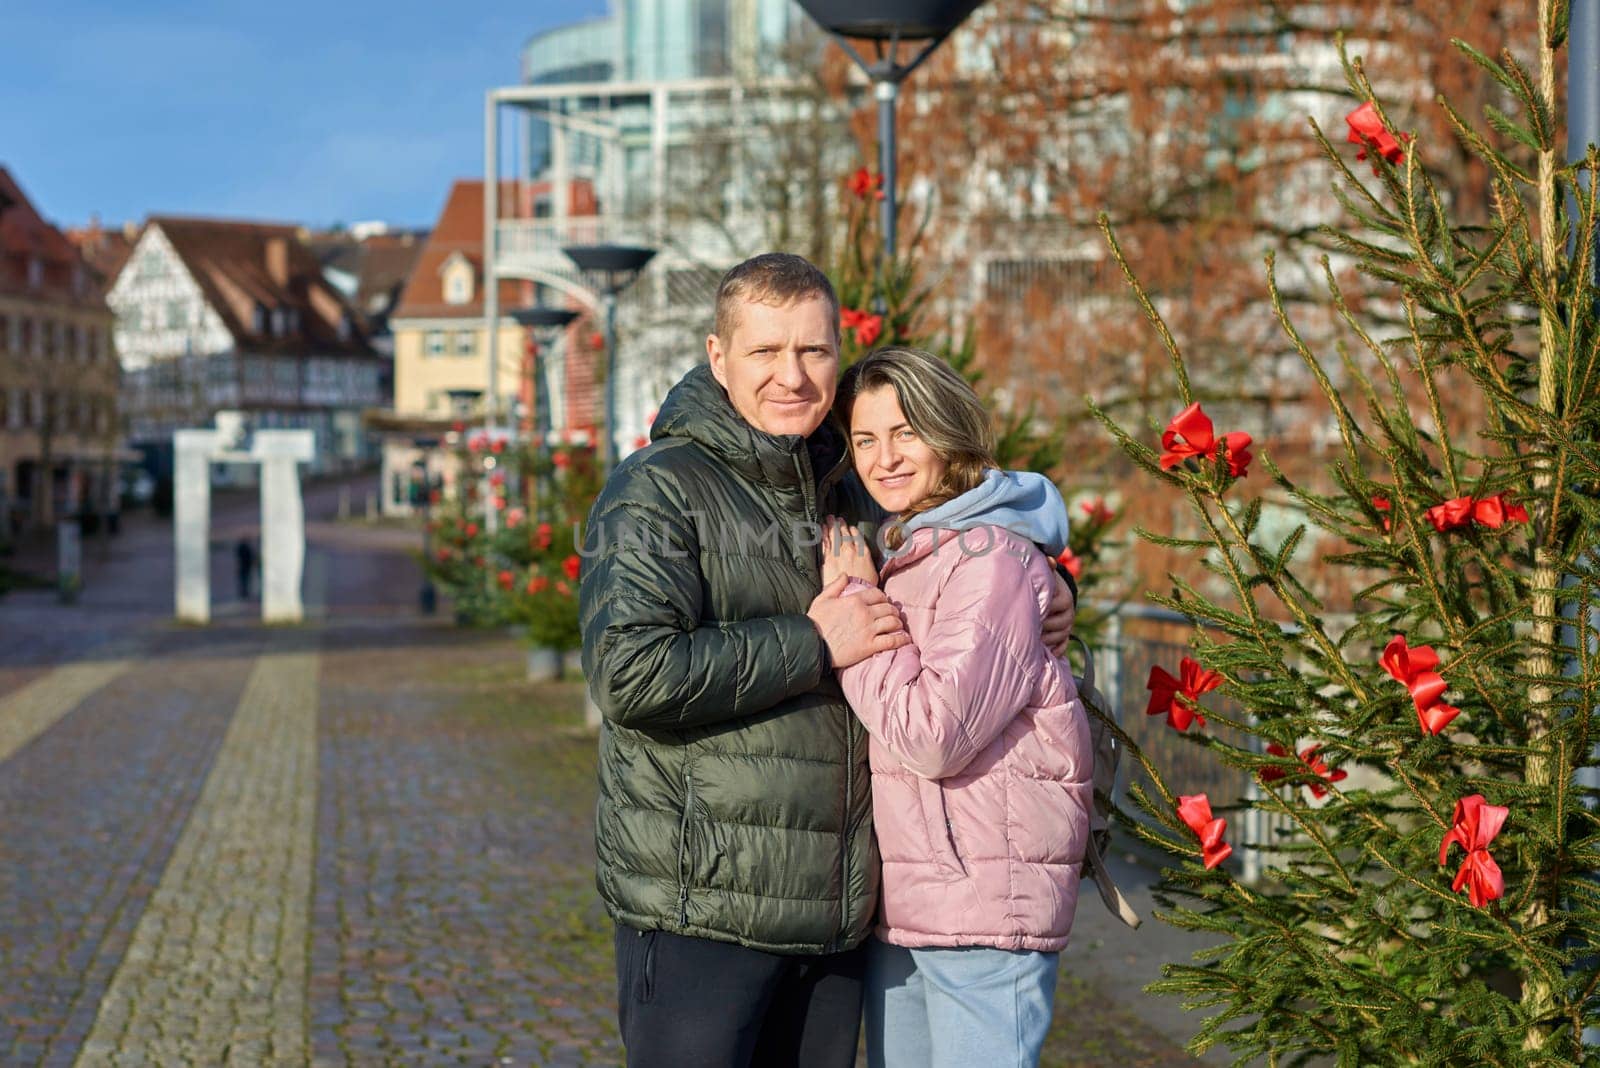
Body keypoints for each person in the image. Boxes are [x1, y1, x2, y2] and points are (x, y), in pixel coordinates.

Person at [578, 253, 1077, 1067]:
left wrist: (1049, 588)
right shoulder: (657, 489)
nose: (792, 375)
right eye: (765, 351)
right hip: (705, 903)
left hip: (839, 913)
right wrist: (816, 643)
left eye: (812, 351)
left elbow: (964, 548)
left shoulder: (849, 483)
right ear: (717, 358)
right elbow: (631, 673)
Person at [822, 347, 1092, 1068]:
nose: (884, 458)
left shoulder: (989, 558)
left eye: (905, 432)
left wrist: (853, 608)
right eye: (866, 438)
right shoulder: (916, 547)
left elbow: (935, 735)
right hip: (917, 898)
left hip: (983, 901)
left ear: (950, 430)